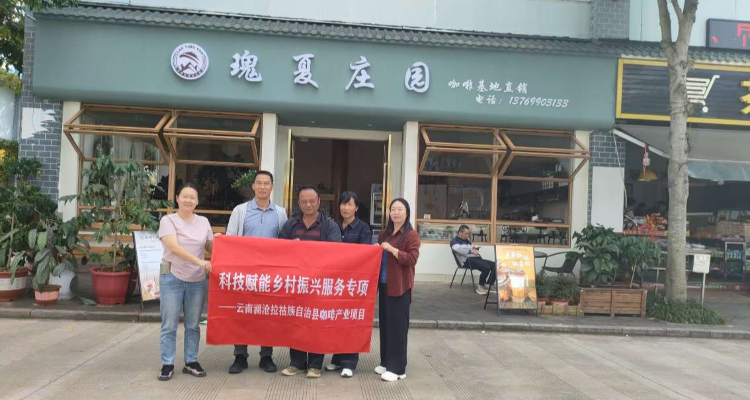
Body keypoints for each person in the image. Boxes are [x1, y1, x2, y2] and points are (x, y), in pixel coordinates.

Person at [225, 170, 288, 374]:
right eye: (259, 183)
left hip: (270, 274)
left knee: (267, 314)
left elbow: (284, 242)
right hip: (244, 272)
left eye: (266, 183)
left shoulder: (280, 212)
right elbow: (230, 239)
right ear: (253, 186)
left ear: (272, 186)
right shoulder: (240, 210)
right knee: (242, 313)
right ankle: (240, 356)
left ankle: (266, 356)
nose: (262, 187)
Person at [278, 185, 342, 379]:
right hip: (296, 283)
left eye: (312, 201)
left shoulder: (329, 225)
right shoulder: (291, 225)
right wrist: (291, 247)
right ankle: (296, 363)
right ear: (298, 203)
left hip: (319, 284)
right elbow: (278, 248)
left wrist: (310, 250)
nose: (308, 205)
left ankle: (315, 365)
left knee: (316, 323)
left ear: (319, 202)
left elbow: (336, 252)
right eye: (304, 202)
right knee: (296, 322)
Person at [157, 183, 218, 381]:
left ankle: (191, 362)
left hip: (197, 280)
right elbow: (174, 247)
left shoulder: (203, 221)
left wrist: (219, 241)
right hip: (172, 276)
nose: (188, 200)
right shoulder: (168, 220)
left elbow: (209, 245)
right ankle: (167, 364)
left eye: (192, 197)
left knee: (193, 324)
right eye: (184, 196)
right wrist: (200, 262)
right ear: (177, 198)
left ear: (197, 201)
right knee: (169, 324)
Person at [326, 191, 373, 378]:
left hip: (354, 282)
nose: (346, 208)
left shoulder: (363, 228)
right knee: (337, 320)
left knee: (352, 321)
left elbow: (364, 255)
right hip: (336, 281)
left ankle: (349, 362)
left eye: (350, 204)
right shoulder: (333, 226)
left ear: (356, 207)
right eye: (343, 204)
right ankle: (337, 359)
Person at [376, 198, 420, 382]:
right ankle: (386, 362)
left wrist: (393, 250)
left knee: (398, 328)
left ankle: (398, 368)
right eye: (393, 209)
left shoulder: (411, 235)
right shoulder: (384, 233)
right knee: (385, 326)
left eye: (400, 209)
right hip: (384, 285)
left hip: (400, 287)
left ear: (406, 213)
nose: (396, 212)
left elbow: (411, 259)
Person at [450, 225, 496, 295]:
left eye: (468, 234)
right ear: (460, 233)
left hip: (475, 258)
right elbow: (458, 249)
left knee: (494, 265)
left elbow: (471, 248)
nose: (467, 235)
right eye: (466, 234)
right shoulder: (454, 241)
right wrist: (470, 251)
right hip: (466, 261)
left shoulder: (467, 240)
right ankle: (480, 287)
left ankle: (489, 285)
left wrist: (475, 248)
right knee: (486, 267)